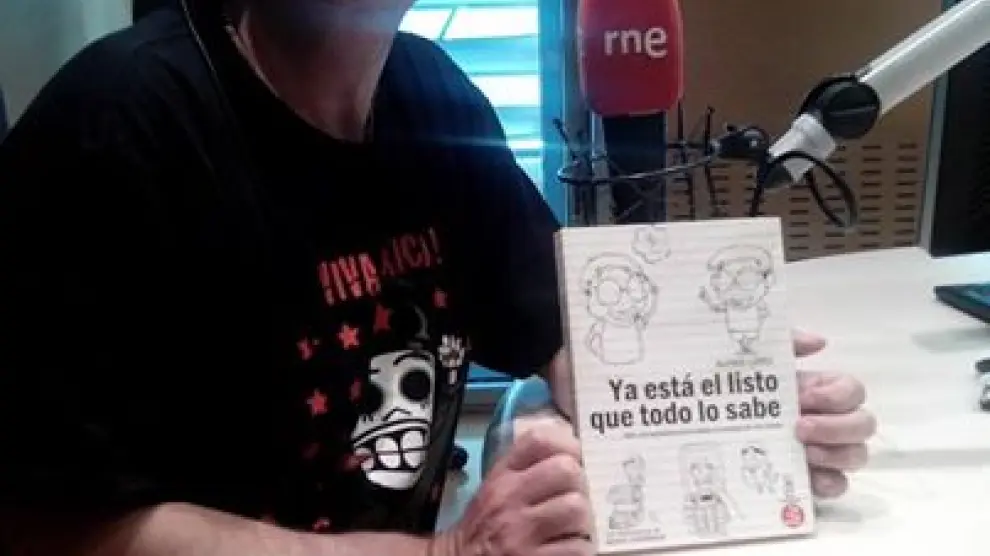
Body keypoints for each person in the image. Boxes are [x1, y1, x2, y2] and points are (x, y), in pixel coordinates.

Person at [0, 1, 876, 555]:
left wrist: (738, 422)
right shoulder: (115, 128)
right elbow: (58, 527)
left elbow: (570, 337)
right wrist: (450, 553)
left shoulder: (433, 94)